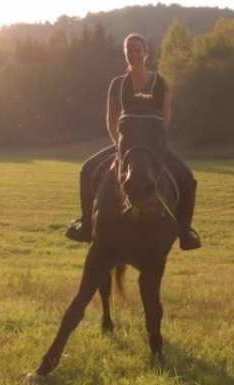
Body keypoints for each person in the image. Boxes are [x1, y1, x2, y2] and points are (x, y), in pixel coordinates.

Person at [66, 33, 201, 250]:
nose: (134, 55)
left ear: (145, 53)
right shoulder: (117, 84)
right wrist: (120, 146)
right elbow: (111, 119)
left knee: (187, 177)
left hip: (153, 147)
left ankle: (185, 232)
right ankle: (86, 225)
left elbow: (165, 118)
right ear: (126, 54)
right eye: (130, 51)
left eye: (138, 50)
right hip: (124, 146)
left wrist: (153, 145)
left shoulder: (159, 83)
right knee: (87, 169)